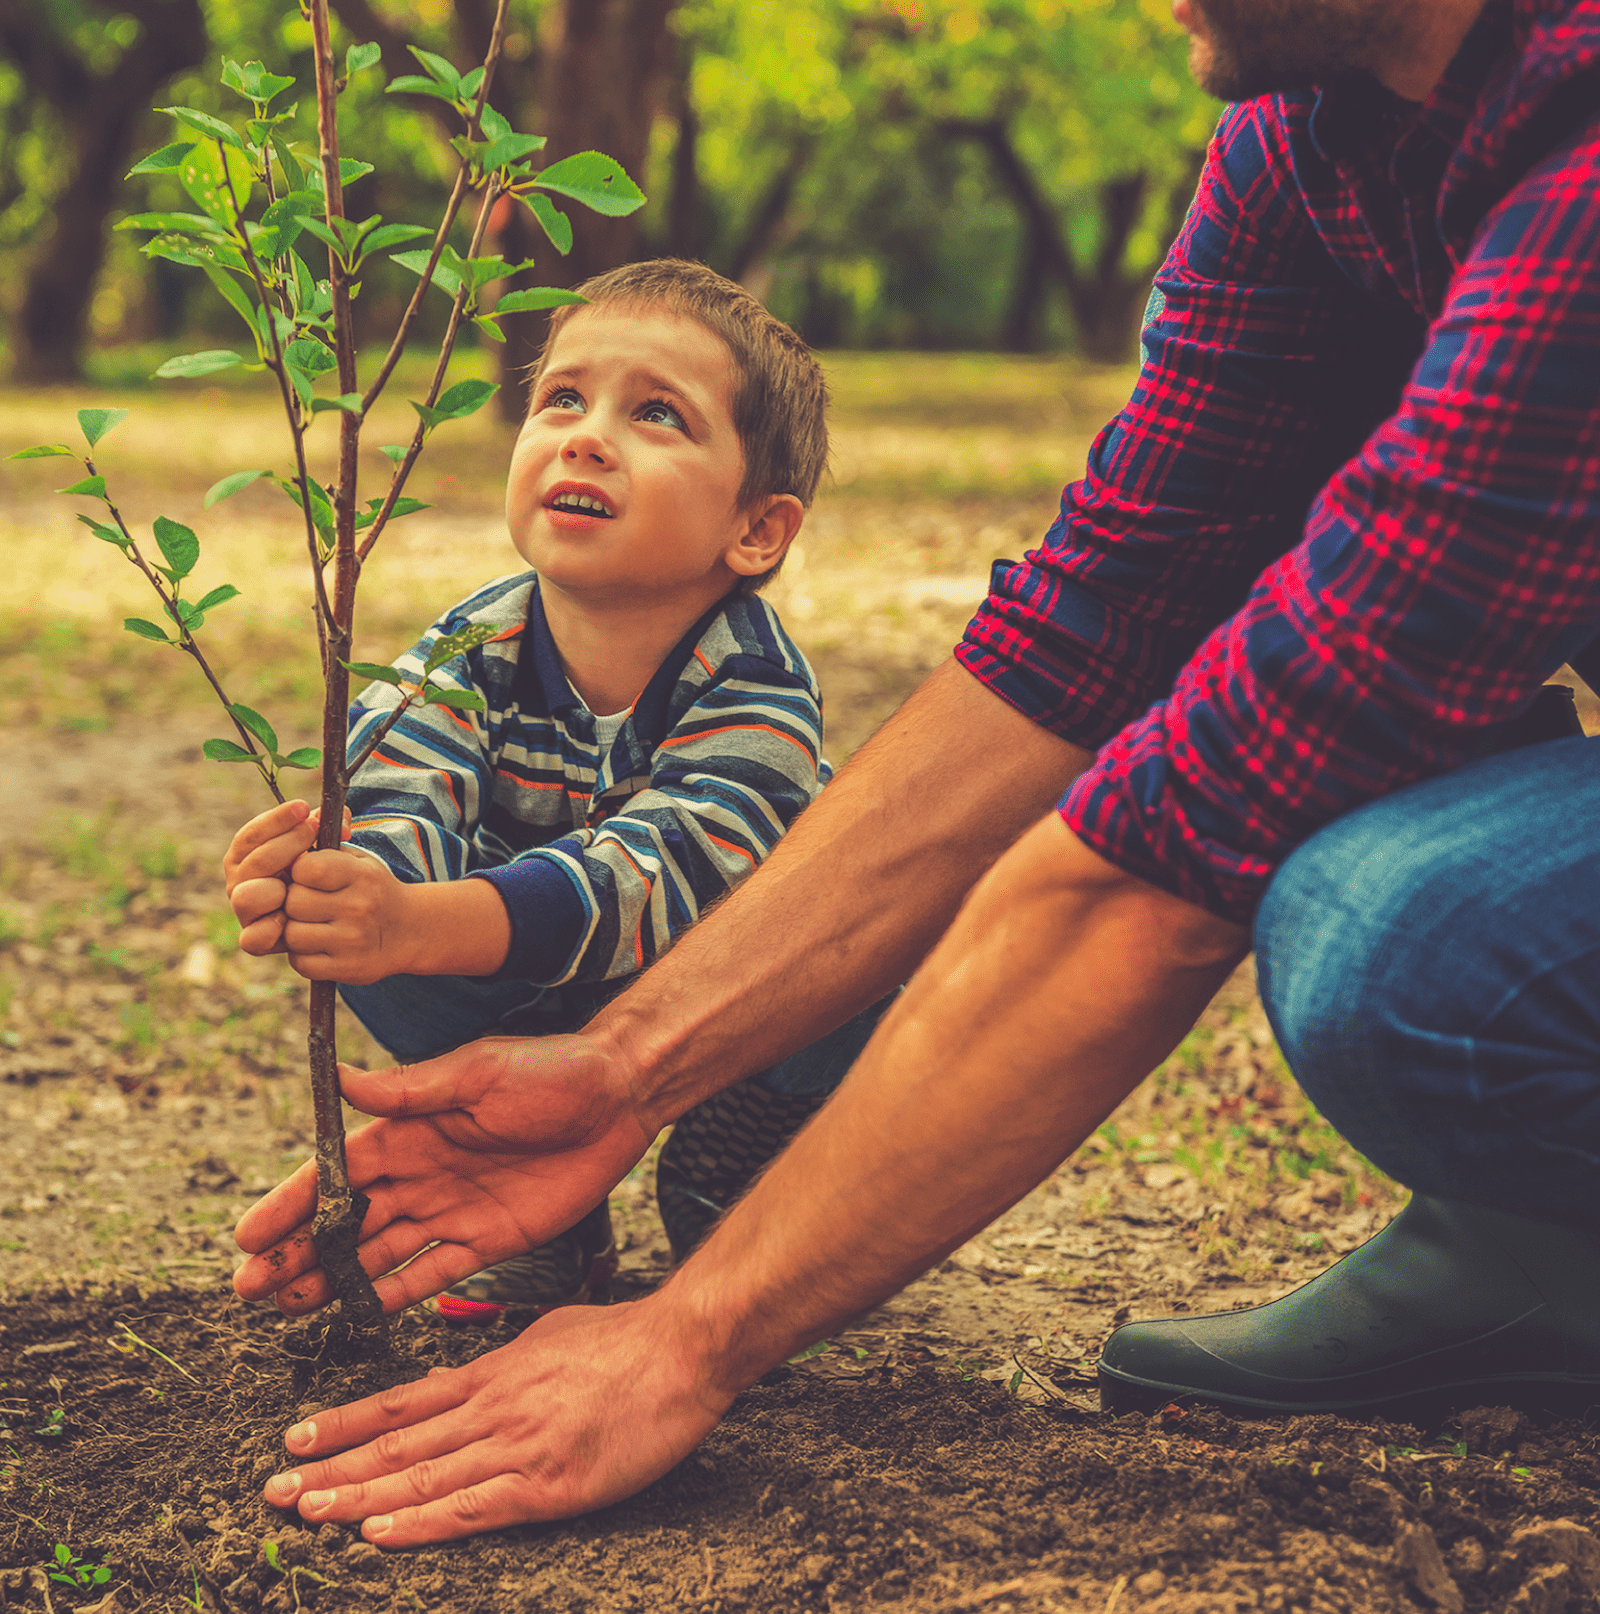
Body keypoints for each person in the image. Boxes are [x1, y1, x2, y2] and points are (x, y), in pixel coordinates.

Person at [231, 0, 1600, 1547]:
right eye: (560, 397)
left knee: (1396, 937)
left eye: (657, 414)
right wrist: (617, 1074)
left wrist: (690, 1332)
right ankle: (1549, 1235)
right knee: (1406, 919)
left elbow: (1190, 834)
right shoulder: (1306, 141)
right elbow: (1096, 625)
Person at [223, 259, 889, 1322]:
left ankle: (750, 1147)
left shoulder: (758, 685)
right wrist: (348, 890)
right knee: (380, 950)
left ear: (755, 529)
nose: (585, 435)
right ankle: (549, 1212)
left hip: (722, 996)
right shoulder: (471, 644)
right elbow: (403, 787)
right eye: (562, 399)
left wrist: (425, 918)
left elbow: (655, 876)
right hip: (525, 988)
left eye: (657, 414)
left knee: (876, 955)